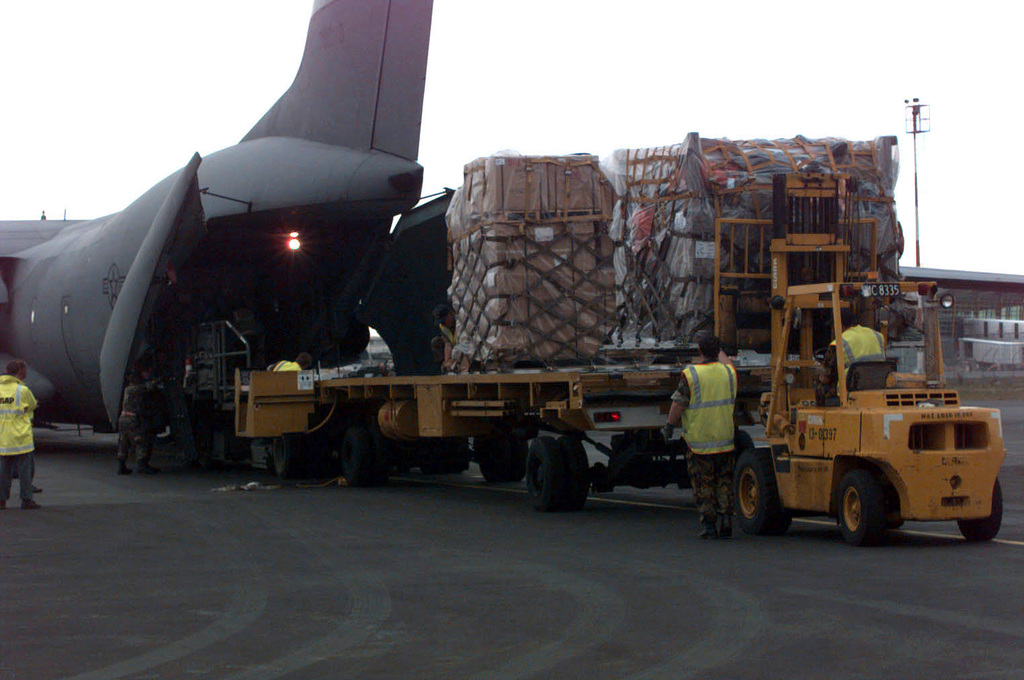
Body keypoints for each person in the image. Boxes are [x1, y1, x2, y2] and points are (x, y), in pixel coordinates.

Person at [661, 334, 737, 539]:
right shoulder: (728, 372)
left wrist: (669, 426)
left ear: (699, 351)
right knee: (724, 481)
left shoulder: (691, 374)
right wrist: (718, 348)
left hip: (700, 442)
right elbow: (727, 362)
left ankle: (710, 525)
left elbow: (678, 403)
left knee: (703, 483)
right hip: (725, 438)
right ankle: (726, 518)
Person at [817, 308, 886, 404]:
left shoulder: (840, 342)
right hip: (877, 389)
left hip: (849, 394)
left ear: (839, 325)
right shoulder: (877, 336)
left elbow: (826, 375)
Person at [0, 360, 40, 510]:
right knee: (25, 472)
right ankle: (26, 499)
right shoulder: (22, 390)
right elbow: (33, 404)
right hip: (21, 438)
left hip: (3, 438)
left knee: (3, 473)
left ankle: (1, 501)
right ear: (18, 372)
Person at [116, 367, 160, 475]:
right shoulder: (133, 389)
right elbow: (147, 387)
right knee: (141, 440)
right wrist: (157, 380)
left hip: (124, 418)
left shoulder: (127, 389)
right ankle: (142, 465)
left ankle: (121, 466)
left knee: (123, 442)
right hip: (132, 419)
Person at [432, 303, 456, 370]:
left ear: (449, 315)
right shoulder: (443, 327)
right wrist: (447, 361)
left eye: (444, 321)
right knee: (435, 342)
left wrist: (453, 359)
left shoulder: (460, 322)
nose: (443, 324)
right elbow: (447, 344)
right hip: (454, 345)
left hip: (464, 347)